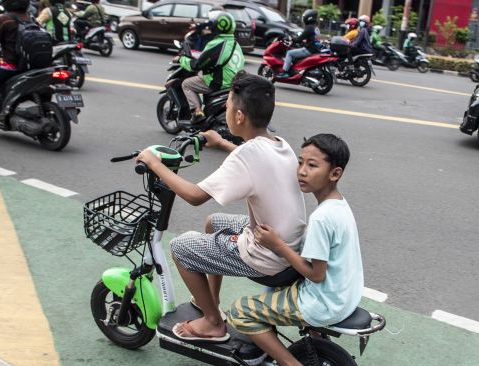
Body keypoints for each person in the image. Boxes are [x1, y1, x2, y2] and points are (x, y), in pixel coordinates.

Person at [135, 71, 306, 342]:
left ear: (239, 116)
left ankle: (213, 322)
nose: (225, 110)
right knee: (214, 222)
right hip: (289, 243)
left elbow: (194, 196)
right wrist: (222, 142)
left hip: (269, 255)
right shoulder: (279, 144)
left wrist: (154, 164)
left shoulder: (247, 155)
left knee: (180, 247)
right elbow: (251, 159)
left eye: (227, 106)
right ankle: (209, 300)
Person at [229, 134, 363, 366]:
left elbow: (315, 274)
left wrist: (277, 245)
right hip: (344, 295)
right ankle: (313, 335)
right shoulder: (339, 205)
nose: (301, 171)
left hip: (322, 302)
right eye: (300, 162)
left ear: (335, 173)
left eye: (312, 165)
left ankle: (290, 363)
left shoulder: (322, 218)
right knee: (275, 291)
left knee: (239, 311)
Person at [176, 10, 244, 125]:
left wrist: (181, 59)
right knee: (201, 76)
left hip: (221, 82)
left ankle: (197, 113)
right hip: (235, 80)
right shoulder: (234, 43)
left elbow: (196, 65)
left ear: (217, 27)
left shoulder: (216, 44)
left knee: (186, 84)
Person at [276, 9, 320, 79]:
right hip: (315, 49)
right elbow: (311, 38)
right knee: (295, 51)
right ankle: (293, 70)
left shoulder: (309, 28)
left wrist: (291, 39)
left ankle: (284, 72)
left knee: (289, 53)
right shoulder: (315, 27)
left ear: (308, 18)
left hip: (309, 50)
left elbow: (298, 39)